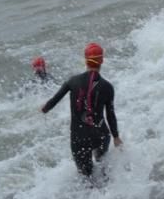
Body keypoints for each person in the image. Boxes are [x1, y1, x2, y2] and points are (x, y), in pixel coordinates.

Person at [40, 43, 123, 178]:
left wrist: (43, 109)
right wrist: (116, 137)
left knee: (86, 177)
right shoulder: (107, 87)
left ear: (85, 60)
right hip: (100, 134)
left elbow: (52, 102)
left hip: (79, 137)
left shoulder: (72, 81)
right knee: (103, 170)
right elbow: (110, 115)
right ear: (102, 60)